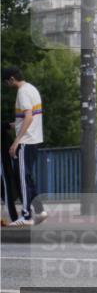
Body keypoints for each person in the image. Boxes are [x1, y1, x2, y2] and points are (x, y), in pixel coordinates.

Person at [2, 67, 47, 226]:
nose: (6, 85)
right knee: (26, 177)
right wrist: (8, 125)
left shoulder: (22, 93)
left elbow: (27, 118)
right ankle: (40, 210)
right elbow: (26, 119)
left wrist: (16, 142)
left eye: (6, 82)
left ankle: (26, 216)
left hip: (25, 142)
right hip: (34, 140)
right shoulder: (32, 89)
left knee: (21, 179)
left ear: (12, 79)